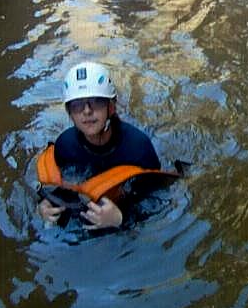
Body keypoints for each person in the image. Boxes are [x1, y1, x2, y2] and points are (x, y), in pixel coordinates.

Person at [36, 62, 178, 231]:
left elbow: (157, 199)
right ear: (70, 113)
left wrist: (121, 218)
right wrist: (43, 206)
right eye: (77, 105)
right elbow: (60, 190)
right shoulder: (65, 146)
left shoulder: (139, 148)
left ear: (111, 107)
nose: (87, 111)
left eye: (95, 102)